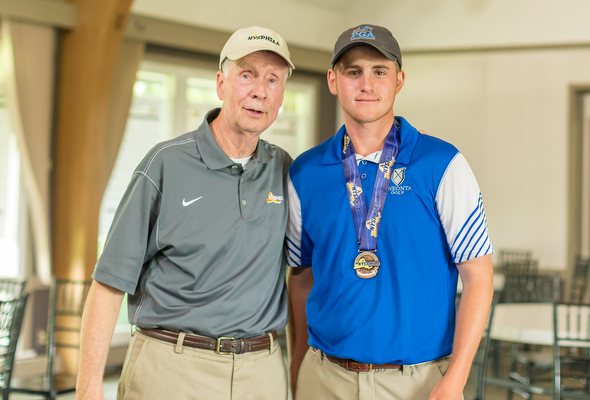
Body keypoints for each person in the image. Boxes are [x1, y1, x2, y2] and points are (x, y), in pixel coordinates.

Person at [76, 26, 295, 400]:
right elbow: (109, 282)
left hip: (262, 374)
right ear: (221, 84)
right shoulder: (165, 164)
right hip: (172, 369)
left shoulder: (284, 169)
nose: (260, 90)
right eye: (247, 75)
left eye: (272, 79)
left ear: (281, 95)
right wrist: (87, 389)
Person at [286, 24, 494, 400]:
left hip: (416, 382)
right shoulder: (304, 172)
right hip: (324, 378)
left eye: (379, 71)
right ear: (333, 81)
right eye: (354, 72)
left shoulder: (443, 164)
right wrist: (297, 368)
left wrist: (457, 378)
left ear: (399, 80)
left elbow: (478, 276)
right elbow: (301, 278)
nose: (366, 84)